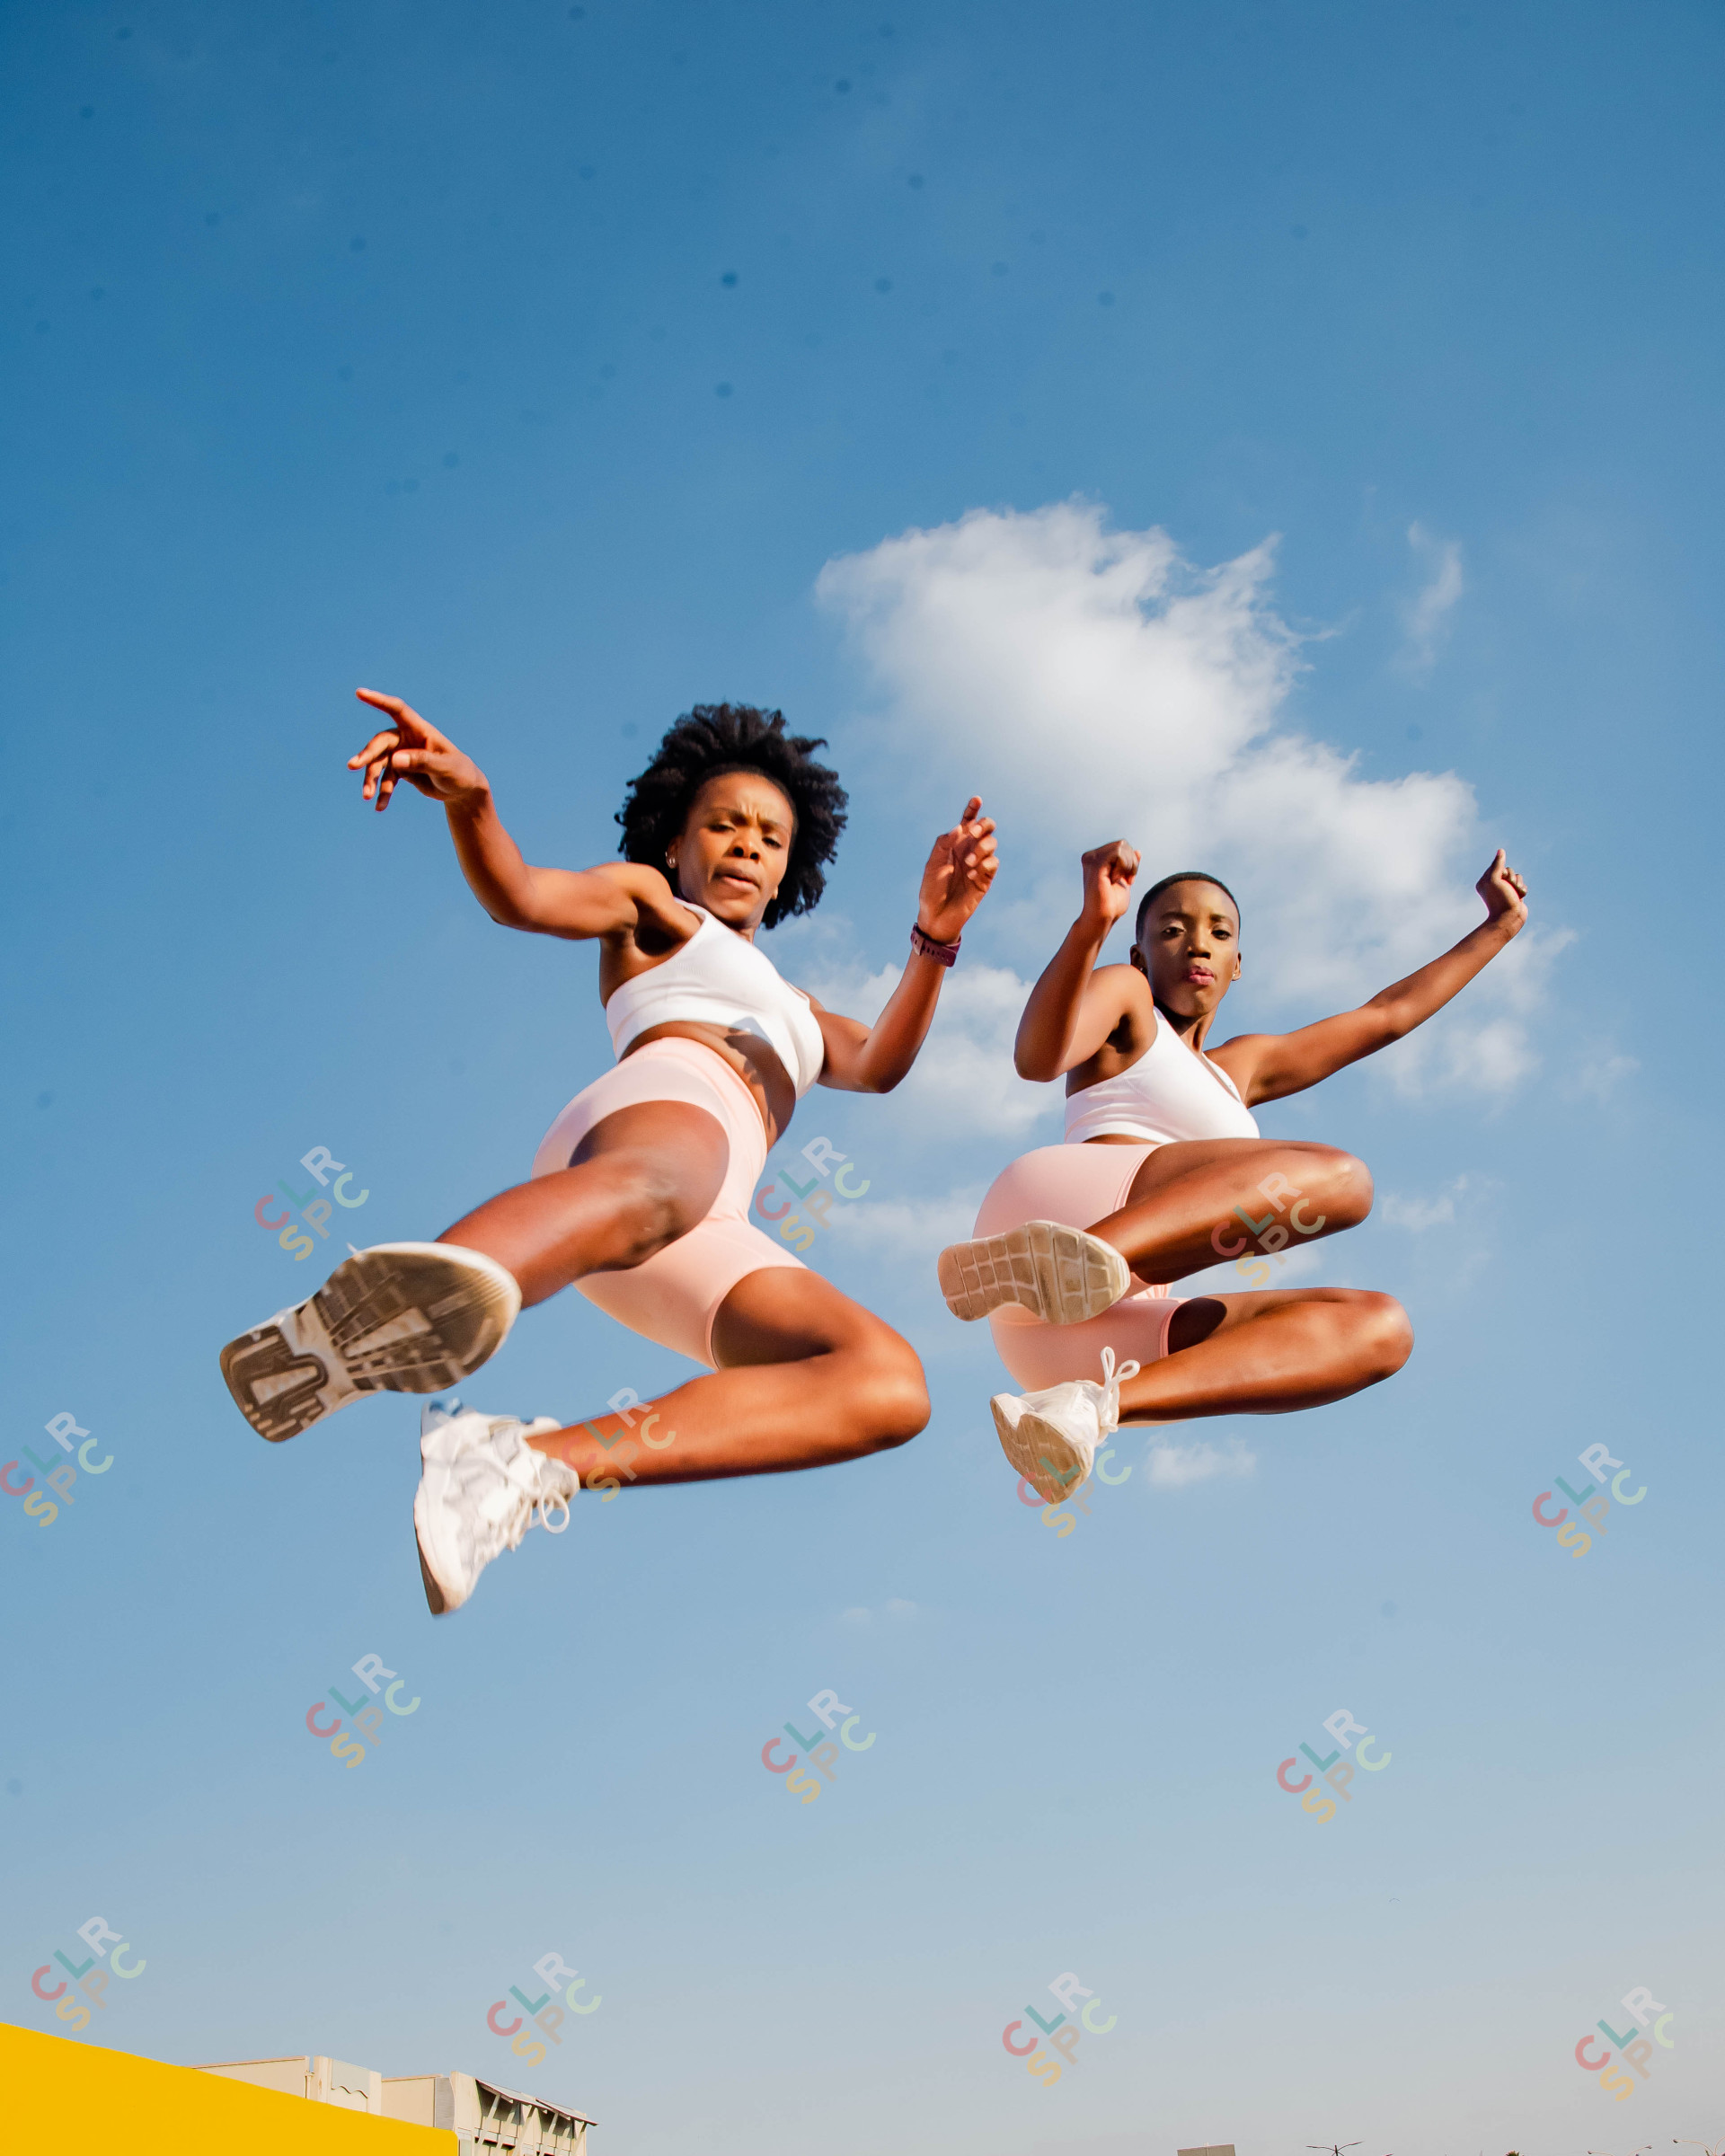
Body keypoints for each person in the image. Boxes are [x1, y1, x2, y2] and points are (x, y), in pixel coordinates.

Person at [220, 690, 996, 1613]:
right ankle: (377, 1310)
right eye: (724, 825)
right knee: (665, 1180)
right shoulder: (655, 908)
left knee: (883, 1383)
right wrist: (474, 803)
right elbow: (523, 898)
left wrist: (936, 938)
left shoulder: (799, 1009)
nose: (747, 844)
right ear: (675, 842)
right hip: (654, 1125)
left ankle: (516, 1464)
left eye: (770, 837)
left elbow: (877, 1065)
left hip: (699, 1222)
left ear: (790, 871)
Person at [936, 840, 1529, 1502]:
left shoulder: (1240, 1068)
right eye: (1171, 930)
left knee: (1379, 1329)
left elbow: (1384, 1016)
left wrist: (1499, 928)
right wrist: (1092, 924)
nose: (1197, 944)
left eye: (1219, 933)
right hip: (1059, 1206)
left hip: (1080, 1339)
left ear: (1237, 964)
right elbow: (1038, 1058)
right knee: (1342, 1179)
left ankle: (1087, 1410)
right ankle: (1070, 1259)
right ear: (1140, 955)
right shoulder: (1128, 1000)